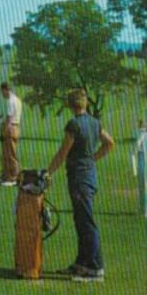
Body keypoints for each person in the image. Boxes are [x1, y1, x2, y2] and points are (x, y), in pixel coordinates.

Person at [46, 89, 114, 282]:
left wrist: (48, 172)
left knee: (86, 222)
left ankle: (95, 268)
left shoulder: (73, 125)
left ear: (70, 105)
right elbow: (109, 143)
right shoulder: (94, 122)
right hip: (89, 176)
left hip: (79, 179)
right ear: (85, 104)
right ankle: (82, 263)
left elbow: (63, 152)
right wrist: (93, 159)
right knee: (82, 220)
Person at [0, 82, 22, 186]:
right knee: (6, 154)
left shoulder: (11, 101)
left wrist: (4, 131)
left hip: (10, 129)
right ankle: (5, 177)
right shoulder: (17, 100)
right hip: (15, 127)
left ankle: (13, 178)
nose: (2, 94)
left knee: (10, 155)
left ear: (6, 90)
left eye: (2, 91)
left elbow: (9, 118)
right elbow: (8, 114)